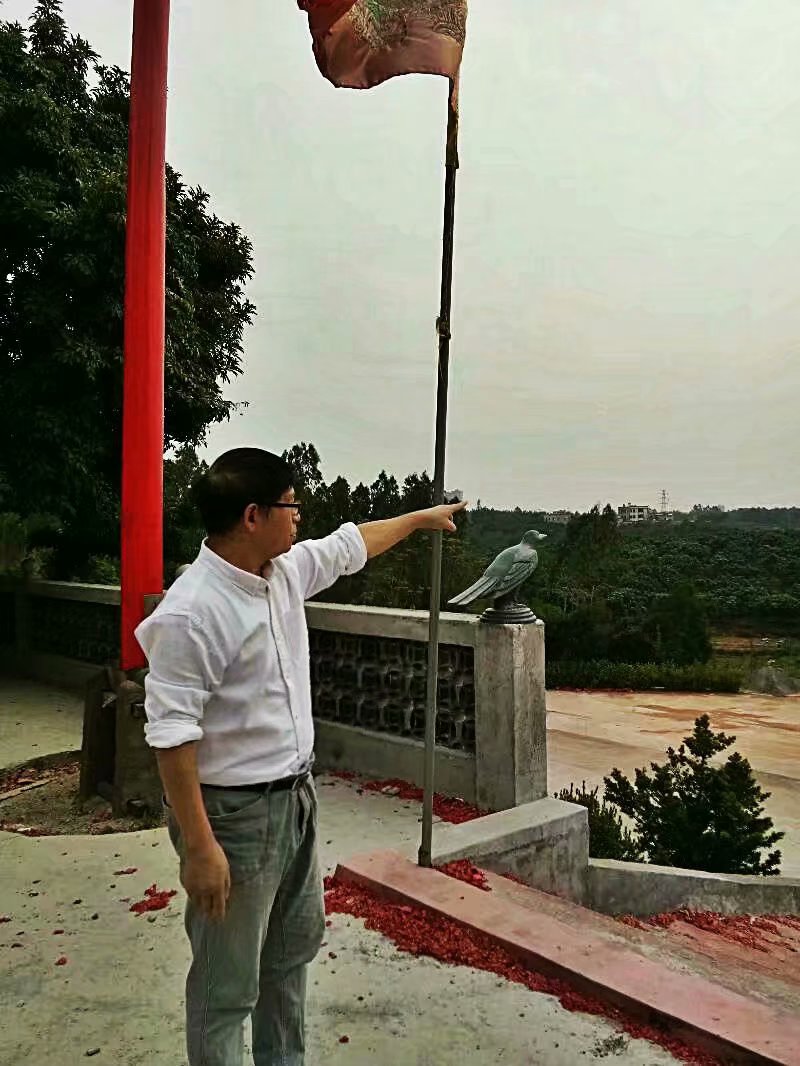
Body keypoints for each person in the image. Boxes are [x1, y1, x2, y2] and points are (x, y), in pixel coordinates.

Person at [135, 447, 466, 1066]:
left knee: (288, 961)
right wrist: (201, 848)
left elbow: (351, 544)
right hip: (233, 818)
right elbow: (171, 737)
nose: (299, 516)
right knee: (225, 988)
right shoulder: (192, 612)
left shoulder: (283, 573)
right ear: (252, 515)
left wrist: (420, 519)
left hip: (295, 802)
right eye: (289, 505)